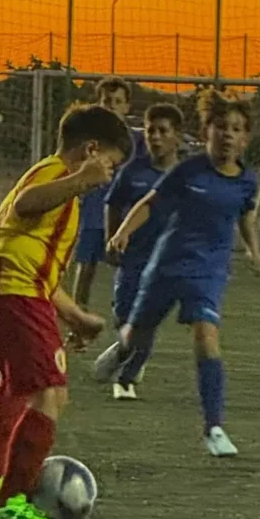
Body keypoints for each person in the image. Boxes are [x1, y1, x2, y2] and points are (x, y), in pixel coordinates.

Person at [0, 103, 132, 519]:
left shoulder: (56, 185)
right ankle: (10, 501)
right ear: (92, 149)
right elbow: (25, 203)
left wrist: (76, 316)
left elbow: (33, 259)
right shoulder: (56, 174)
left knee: (19, 386)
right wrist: (80, 179)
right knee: (50, 394)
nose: (107, 175)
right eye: (109, 163)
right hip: (9, 291)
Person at [94, 90, 260, 457]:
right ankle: (123, 346)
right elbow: (148, 203)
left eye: (236, 129)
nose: (228, 135)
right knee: (139, 335)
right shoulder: (188, 171)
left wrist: (254, 249)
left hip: (209, 272)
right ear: (207, 131)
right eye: (221, 127)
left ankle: (214, 428)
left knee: (206, 335)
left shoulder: (247, 180)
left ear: (245, 137)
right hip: (167, 265)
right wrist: (122, 233)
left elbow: (245, 214)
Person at [101, 102, 184, 400]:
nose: (156, 137)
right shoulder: (132, 172)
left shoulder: (187, 176)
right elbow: (112, 204)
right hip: (133, 257)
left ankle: (127, 377)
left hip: (166, 261)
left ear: (177, 136)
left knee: (147, 321)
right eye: (151, 131)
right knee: (123, 316)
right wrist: (112, 238)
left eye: (163, 131)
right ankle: (126, 348)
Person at [67, 77, 144, 350]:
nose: (111, 106)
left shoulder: (138, 140)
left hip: (123, 216)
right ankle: (78, 329)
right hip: (92, 210)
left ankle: (127, 333)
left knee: (126, 273)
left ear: (126, 106)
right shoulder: (90, 141)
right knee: (85, 269)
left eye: (117, 102)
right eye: (106, 101)